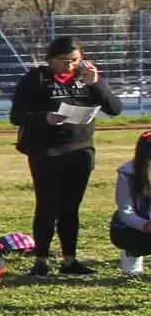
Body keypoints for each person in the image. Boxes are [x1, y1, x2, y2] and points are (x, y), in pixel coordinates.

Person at [10, 36, 124, 277]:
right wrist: (44, 117)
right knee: (47, 205)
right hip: (47, 150)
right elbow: (17, 115)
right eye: (63, 61)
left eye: (74, 61)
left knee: (71, 207)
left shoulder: (86, 79)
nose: (69, 66)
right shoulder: (37, 79)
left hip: (80, 148)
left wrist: (96, 83)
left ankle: (69, 259)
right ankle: (41, 259)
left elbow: (114, 109)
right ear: (50, 59)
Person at [112, 131, 151, 277]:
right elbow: (125, 211)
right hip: (136, 225)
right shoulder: (128, 175)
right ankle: (133, 252)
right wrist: (144, 225)